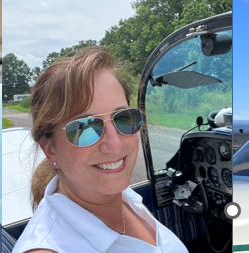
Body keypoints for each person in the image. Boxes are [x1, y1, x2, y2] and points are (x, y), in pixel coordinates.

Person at [12, 48, 189, 253]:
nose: (114, 145)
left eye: (123, 118)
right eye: (84, 127)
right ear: (50, 150)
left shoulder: (124, 197)